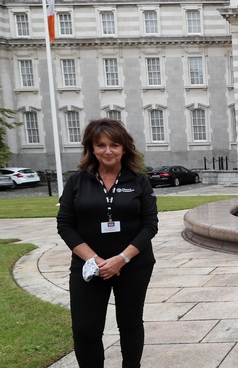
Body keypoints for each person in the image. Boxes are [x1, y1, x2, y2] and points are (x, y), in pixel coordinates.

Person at [57, 119, 159, 368]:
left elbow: (150, 226)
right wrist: (94, 259)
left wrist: (121, 259)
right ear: (91, 148)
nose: (108, 151)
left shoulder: (139, 181)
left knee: (130, 323)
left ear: (125, 148)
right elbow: (65, 225)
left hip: (133, 264)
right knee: (85, 329)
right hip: (89, 266)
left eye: (114, 144)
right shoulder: (77, 182)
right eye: (100, 145)